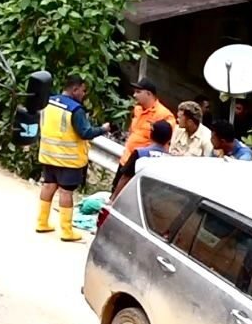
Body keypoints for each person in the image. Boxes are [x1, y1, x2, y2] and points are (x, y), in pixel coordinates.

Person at [36, 76, 112, 241]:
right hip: (68, 159)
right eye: (83, 91)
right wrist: (103, 129)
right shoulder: (75, 109)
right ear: (75, 89)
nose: (84, 94)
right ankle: (66, 231)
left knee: (48, 186)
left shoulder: (48, 102)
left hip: (49, 154)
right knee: (66, 191)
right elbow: (85, 133)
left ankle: (42, 222)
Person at [112, 78, 175, 196]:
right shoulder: (137, 109)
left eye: (138, 92)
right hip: (126, 160)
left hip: (141, 164)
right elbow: (133, 132)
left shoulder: (164, 115)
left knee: (130, 197)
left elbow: (165, 142)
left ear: (149, 93)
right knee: (115, 191)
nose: (134, 95)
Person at [114, 120, 174, 200]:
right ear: (168, 140)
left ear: (151, 134)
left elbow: (125, 178)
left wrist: (113, 198)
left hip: (131, 196)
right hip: (152, 201)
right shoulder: (170, 160)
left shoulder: (139, 153)